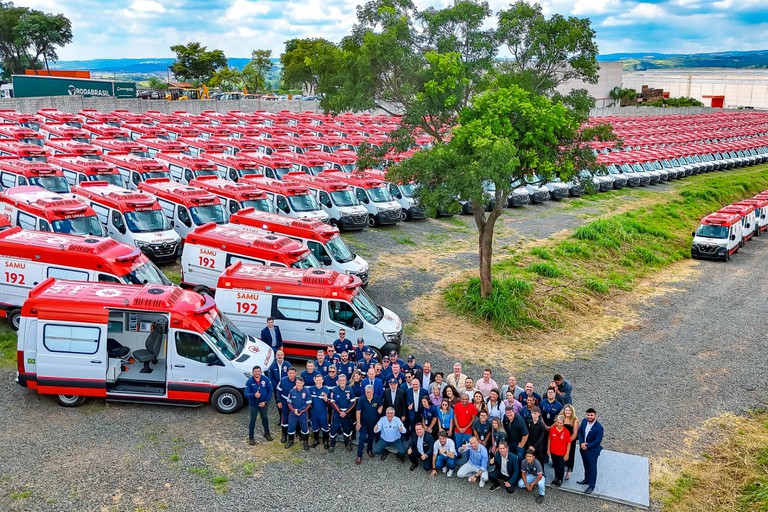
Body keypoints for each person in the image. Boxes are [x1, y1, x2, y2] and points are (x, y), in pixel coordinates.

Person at [577, 407, 604, 494]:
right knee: (586, 465)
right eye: (588, 415)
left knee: (592, 468)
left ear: (595, 415)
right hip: (583, 448)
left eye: (591, 415)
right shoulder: (584, 421)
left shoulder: (599, 427)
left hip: (592, 451)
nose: (589, 417)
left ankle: (591, 486)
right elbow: (580, 432)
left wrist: (587, 445)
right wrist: (581, 443)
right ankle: (586, 479)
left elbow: (597, 441)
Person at [244, 365, 273, 444]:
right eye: (255, 371)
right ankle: (251, 437)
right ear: (253, 373)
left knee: (265, 418)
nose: (257, 373)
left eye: (258, 371)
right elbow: (246, 394)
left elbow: (270, 391)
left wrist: (265, 401)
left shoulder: (266, 379)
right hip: (254, 405)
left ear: (260, 372)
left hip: (264, 404)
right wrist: (254, 395)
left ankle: (267, 433)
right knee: (253, 420)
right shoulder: (250, 381)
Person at [355, 384, 383, 464]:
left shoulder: (377, 398)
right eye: (367, 392)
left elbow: (381, 405)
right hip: (363, 424)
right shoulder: (361, 399)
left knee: (371, 438)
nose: (368, 394)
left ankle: (369, 450)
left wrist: (380, 409)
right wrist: (358, 423)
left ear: (373, 392)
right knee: (362, 439)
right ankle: (359, 455)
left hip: (373, 423)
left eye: (370, 392)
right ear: (365, 392)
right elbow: (358, 411)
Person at [329, 374, 357, 453]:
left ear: (346, 381)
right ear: (338, 381)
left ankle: (347, 443)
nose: (342, 382)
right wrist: (340, 411)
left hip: (347, 414)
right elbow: (332, 402)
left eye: (343, 380)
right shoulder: (334, 390)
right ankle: (332, 444)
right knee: (333, 429)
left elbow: (353, 402)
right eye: (340, 380)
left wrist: (346, 412)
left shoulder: (350, 389)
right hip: (337, 414)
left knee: (347, 429)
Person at [286, 377, 311, 450]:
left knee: (304, 428)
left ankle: (305, 442)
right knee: (291, 427)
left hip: (303, 413)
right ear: (295, 383)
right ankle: (290, 441)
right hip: (293, 413)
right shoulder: (292, 391)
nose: (299, 384)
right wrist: (294, 410)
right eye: (297, 383)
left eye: (300, 383)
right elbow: (289, 402)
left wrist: (300, 411)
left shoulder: (306, 391)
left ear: (303, 383)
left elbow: (308, 404)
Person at [548, 415, 572, 486]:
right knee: (555, 465)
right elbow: (549, 439)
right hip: (553, 452)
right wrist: (548, 449)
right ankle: (556, 477)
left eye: (561, 423)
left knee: (561, 467)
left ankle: (560, 479)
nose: (559, 424)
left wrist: (567, 453)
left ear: (563, 423)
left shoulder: (566, 432)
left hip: (562, 453)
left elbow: (569, 443)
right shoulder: (552, 430)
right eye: (558, 422)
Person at [268, 349, 292, 419]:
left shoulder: (288, 365)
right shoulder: (272, 366)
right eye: (278, 355)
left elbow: (291, 375)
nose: (280, 356)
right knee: (279, 403)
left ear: (283, 355)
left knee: (288, 402)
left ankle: (289, 417)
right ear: (276, 356)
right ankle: (281, 417)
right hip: (277, 388)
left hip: (286, 388)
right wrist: (276, 386)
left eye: (281, 355)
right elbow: (270, 377)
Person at [308, 374, 330, 449]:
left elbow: (329, 403)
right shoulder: (311, 389)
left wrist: (326, 400)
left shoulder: (326, 390)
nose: (318, 382)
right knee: (315, 427)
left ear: (322, 381)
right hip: (314, 412)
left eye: (320, 380)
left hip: (323, 412)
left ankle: (326, 441)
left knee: (325, 427)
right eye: (317, 380)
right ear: (314, 380)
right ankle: (316, 440)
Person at [276, 367, 298, 444]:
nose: (291, 375)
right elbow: (278, 391)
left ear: (295, 374)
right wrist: (279, 401)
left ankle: (295, 433)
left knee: (295, 417)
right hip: (284, 401)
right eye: (290, 373)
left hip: (294, 402)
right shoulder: (283, 380)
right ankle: (284, 435)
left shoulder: (298, 381)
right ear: (287, 373)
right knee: (284, 418)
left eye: (293, 373)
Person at [562, 404, 579, 480]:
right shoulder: (561, 418)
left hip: (570, 441)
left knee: (570, 455)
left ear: (572, 411)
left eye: (569, 410)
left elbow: (575, 433)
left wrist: (568, 442)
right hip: (561, 441)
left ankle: (569, 471)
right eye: (566, 410)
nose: (567, 412)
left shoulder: (575, 420)